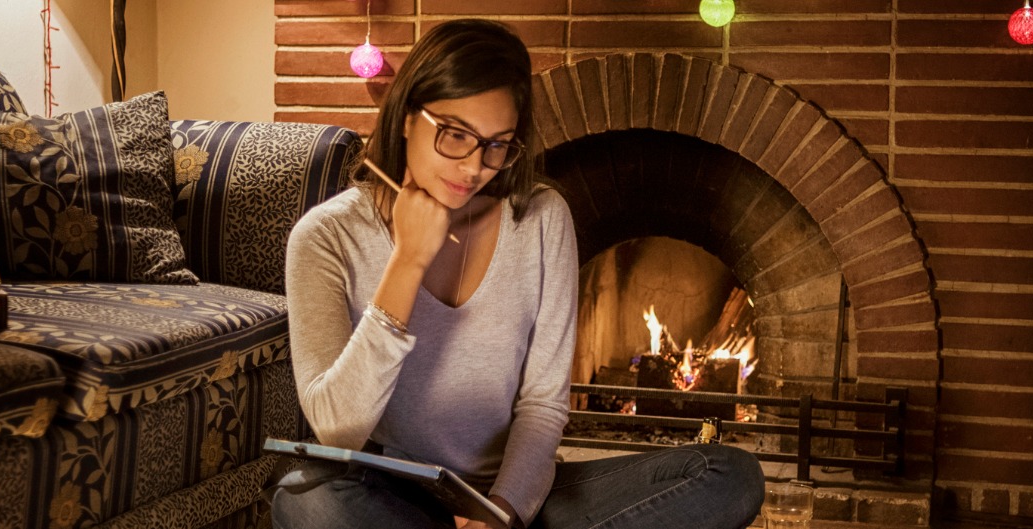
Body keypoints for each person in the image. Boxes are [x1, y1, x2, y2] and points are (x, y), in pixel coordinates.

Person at [274, 19, 763, 529]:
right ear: (405, 117)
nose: (473, 167)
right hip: (397, 497)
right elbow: (337, 432)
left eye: (497, 144)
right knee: (304, 500)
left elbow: (542, 407)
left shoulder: (540, 218)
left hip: (518, 498)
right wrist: (408, 263)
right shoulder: (325, 238)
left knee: (727, 473)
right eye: (455, 134)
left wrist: (502, 515)